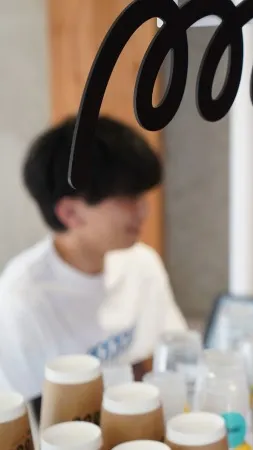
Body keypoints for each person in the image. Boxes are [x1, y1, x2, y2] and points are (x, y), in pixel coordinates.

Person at [0, 116, 188, 408]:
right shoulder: (20, 300)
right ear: (71, 213)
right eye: (128, 198)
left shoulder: (142, 264)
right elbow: (26, 418)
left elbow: (176, 361)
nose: (144, 211)